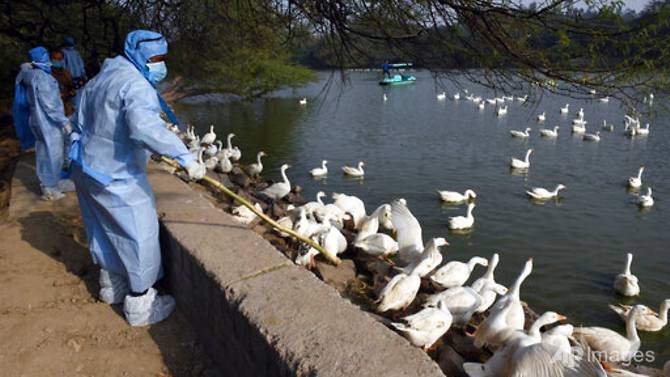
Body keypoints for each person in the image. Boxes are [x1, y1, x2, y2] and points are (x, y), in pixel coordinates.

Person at [68, 30, 206, 326]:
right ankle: (142, 304)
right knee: (139, 232)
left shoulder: (100, 79)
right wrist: (185, 157)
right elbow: (144, 127)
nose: (160, 65)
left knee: (103, 230)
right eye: (156, 59)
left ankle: (112, 287)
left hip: (86, 167)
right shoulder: (134, 84)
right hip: (115, 175)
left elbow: (80, 121)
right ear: (139, 56)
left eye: (162, 58)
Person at [14, 46, 74, 200]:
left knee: (43, 153)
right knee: (53, 154)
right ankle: (50, 188)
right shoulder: (43, 77)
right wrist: (63, 121)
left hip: (37, 119)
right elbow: (49, 104)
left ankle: (51, 182)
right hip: (48, 122)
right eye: (48, 56)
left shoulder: (28, 73)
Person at [61, 36, 86, 108]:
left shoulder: (63, 52)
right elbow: (81, 66)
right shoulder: (76, 53)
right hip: (79, 79)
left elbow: (63, 67)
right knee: (79, 101)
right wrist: (83, 76)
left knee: (71, 101)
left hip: (70, 79)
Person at [50, 49, 76, 116]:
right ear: (51, 59)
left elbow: (72, 88)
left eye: (59, 59)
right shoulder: (47, 73)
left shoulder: (66, 73)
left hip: (65, 104)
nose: (57, 61)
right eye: (55, 59)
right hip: (52, 105)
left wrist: (71, 92)